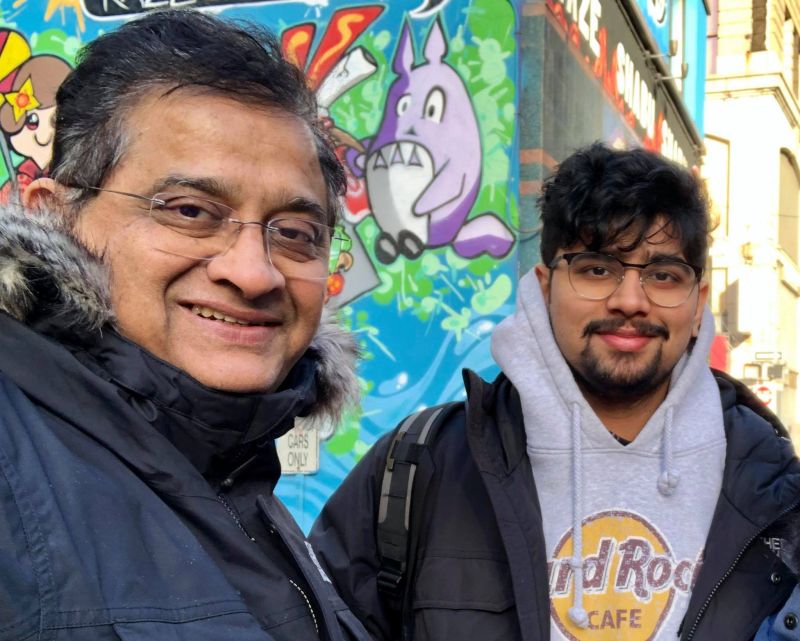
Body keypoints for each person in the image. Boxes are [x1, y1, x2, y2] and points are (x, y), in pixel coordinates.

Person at [311, 142, 800, 641]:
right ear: (544, 288)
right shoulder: (419, 468)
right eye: (596, 268)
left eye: (662, 275)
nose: (630, 300)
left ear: (697, 303)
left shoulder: (775, 484)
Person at [0, 10, 372, 641]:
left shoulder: (235, 460)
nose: (254, 273)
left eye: (296, 233)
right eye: (191, 211)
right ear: (57, 217)